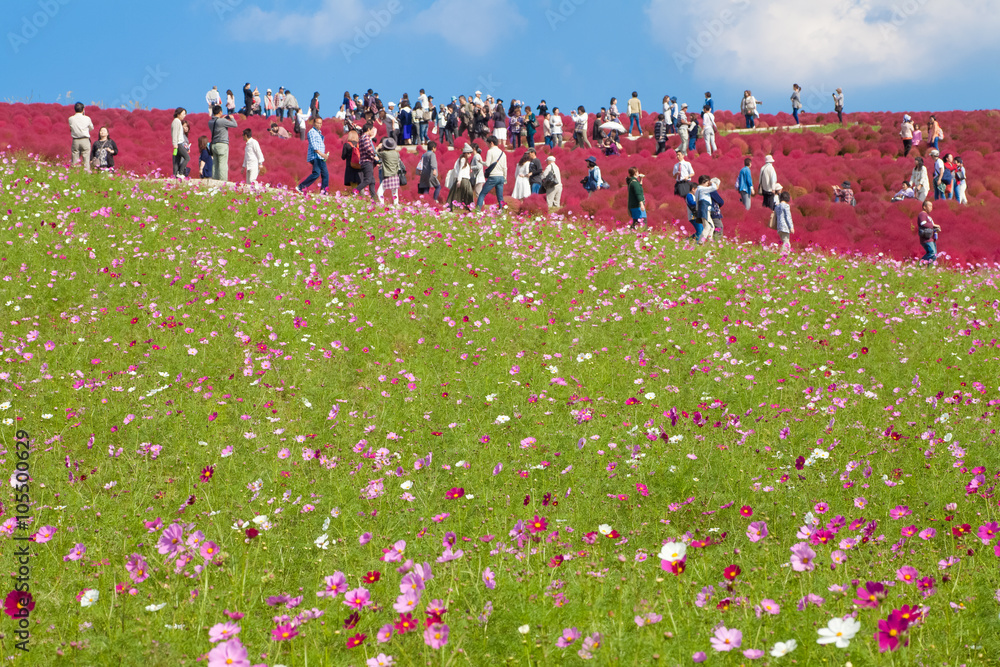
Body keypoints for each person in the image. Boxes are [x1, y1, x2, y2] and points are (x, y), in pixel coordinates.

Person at [297, 117, 329, 195]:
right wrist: (322, 154)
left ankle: (324, 192)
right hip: (315, 157)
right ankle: (300, 187)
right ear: (314, 123)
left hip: (321, 157)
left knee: (325, 174)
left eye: (321, 123)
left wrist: (324, 155)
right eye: (318, 123)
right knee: (316, 173)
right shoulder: (312, 132)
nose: (319, 125)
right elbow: (314, 146)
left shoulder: (319, 133)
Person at [476, 136, 507, 210]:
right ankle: (502, 213)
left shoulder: (490, 151)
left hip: (493, 176)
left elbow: (487, 164)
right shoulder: (503, 153)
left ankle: (477, 211)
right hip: (501, 177)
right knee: (500, 197)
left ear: (491, 143)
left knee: (482, 194)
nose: (487, 145)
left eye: (487, 143)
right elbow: (505, 168)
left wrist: (481, 162)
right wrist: (505, 178)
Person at [209, 105, 237, 181]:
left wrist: (222, 119)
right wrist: (232, 118)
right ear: (220, 112)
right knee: (223, 164)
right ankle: (223, 181)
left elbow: (218, 123)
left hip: (214, 145)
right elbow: (235, 125)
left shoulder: (210, 122)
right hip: (222, 144)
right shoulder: (222, 121)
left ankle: (215, 179)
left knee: (215, 163)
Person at [446, 144, 477, 211]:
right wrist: (459, 180)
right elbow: (460, 170)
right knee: (463, 195)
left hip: (464, 179)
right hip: (463, 180)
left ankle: (458, 208)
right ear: (466, 153)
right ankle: (466, 208)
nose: (470, 155)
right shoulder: (463, 159)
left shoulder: (462, 159)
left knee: (457, 195)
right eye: (469, 153)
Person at [694, 175, 721, 244]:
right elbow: (714, 187)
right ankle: (700, 243)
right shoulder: (702, 189)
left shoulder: (698, 190)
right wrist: (712, 183)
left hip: (703, 210)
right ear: (704, 182)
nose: (708, 184)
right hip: (705, 210)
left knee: (711, 227)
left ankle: (709, 243)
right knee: (707, 227)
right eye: (707, 183)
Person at [69, 102, 94, 172]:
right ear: (83, 109)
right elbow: (91, 128)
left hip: (75, 141)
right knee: (86, 160)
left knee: (75, 160)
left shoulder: (70, 119)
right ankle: (86, 175)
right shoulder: (87, 118)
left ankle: (75, 174)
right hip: (85, 140)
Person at [376, 137, 401, 205]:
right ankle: (396, 206)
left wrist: (378, 147)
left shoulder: (384, 153)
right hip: (395, 175)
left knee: (379, 192)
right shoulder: (397, 154)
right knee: (395, 193)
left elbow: (375, 153)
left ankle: (382, 204)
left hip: (388, 176)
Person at [357, 123, 379, 200]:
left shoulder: (362, 137)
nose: (373, 131)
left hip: (365, 162)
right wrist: (374, 156)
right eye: (372, 129)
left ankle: (374, 199)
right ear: (368, 129)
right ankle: (354, 192)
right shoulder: (366, 137)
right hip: (367, 162)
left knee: (372, 181)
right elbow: (368, 149)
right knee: (368, 180)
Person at [171, 107, 188, 178]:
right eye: (183, 114)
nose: (184, 116)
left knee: (177, 160)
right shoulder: (176, 122)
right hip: (178, 143)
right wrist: (175, 143)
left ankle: (175, 174)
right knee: (187, 158)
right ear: (178, 114)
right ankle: (180, 173)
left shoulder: (178, 122)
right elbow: (174, 133)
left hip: (179, 143)